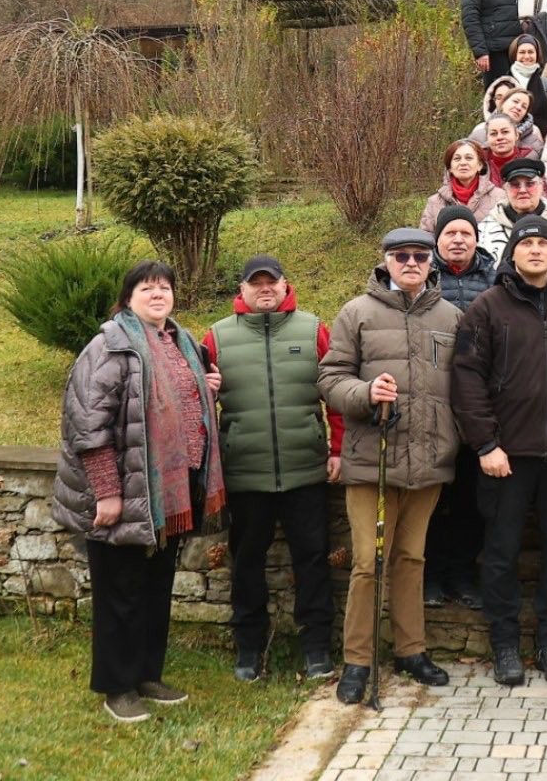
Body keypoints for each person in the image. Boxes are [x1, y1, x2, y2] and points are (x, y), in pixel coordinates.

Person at [52, 260, 226, 724]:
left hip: (167, 496)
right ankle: (118, 687)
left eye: (164, 287)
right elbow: (88, 426)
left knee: (154, 589)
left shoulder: (182, 342)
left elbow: (182, 400)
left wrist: (205, 387)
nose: (157, 294)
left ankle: (148, 674)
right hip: (124, 493)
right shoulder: (110, 346)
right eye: (146, 288)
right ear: (128, 298)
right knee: (120, 592)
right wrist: (108, 493)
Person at [451, 214, 547, 686]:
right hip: (506, 455)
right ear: (511, 252)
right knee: (501, 551)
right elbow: (466, 379)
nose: (535, 250)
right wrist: (486, 443)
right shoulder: (487, 307)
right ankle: (505, 644)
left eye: (543, 243)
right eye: (526, 243)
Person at [319, 228, 461, 704]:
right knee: (367, 562)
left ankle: (411, 651)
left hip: (429, 459)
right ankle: (357, 660)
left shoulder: (450, 316)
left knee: (412, 558)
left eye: (420, 255)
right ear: (386, 261)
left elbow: (463, 384)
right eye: (401, 256)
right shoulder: (356, 312)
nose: (411, 263)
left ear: (431, 261)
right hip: (372, 459)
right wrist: (364, 393)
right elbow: (330, 377)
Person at [202, 255, 340, 684]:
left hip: (306, 472)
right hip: (245, 474)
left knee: (313, 561)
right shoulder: (216, 337)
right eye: (255, 283)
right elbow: (196, 405)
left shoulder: (313, 330)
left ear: (284, 285)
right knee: (246, 563)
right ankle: (249, 647)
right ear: (241, 290)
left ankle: (316, 647)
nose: (264, 289)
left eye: (271, 282)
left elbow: (336, 393)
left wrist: (338, 449)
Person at [425, 206, 495, 610]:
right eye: (450, 232)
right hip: (431, 402)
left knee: (472, 499)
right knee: (434, 497)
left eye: (465, 233)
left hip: (477, 404)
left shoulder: (494, 279)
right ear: (437, 239)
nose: (458, 240)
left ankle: (464, 575)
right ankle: (431, 576)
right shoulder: (421, 276)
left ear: (476, 240)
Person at [478, 157, 547, 262]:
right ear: (505, 189)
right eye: (515, 185)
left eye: (530, 184)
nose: (522, 190)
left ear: (542, 186)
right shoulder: (485, 230)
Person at [421, 139, 506, 233]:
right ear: (450, 168)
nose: (463, 163)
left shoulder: (500, 198)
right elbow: (426, 238)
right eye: (457, 159)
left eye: (469, 158)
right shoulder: (434, 202)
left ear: (480, 165)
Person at [473, 114, 538, 189]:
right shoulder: (478, 159)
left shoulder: (530, 157)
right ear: (487, 138)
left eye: (505, 132)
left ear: (516, 135)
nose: (499, 137)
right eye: (493, 134)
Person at [505, 34, 547, 134]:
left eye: (531, 52)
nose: (527, 56)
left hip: (538, 140)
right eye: (522, 52)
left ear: (537, 54)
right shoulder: (503, 83)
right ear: (514, 54)